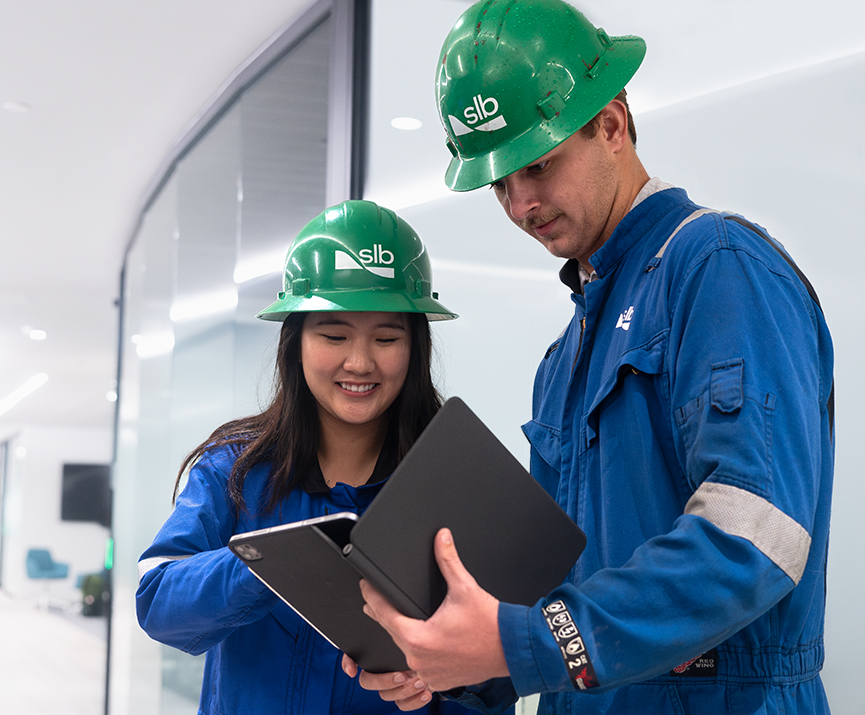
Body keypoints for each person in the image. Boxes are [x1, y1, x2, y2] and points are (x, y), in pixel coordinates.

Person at [347, 1, 836, 714]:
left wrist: (527, 643)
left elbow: (754, 536)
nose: (520, 204)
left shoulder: (718, 267)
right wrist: (453, 659)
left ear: (611, 123)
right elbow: (553, 582)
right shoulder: (564, 354)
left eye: (536, 166)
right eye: (499, 184)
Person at [135, 200, 462, 714]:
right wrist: (269, 564)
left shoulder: (449, 485)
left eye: (387, 337)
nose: (360, 361)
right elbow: (157, 600)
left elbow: (495, 665)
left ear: (414, 346)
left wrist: (442, 688)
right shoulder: (235, 470)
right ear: (296, 342)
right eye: (334, 335)